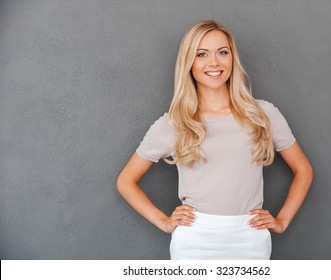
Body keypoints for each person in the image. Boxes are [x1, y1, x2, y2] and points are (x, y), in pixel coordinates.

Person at [116, 19, 313, 260]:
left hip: (250, 237)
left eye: (222, 52)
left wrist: (282, 220)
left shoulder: (263, 114)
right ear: (189, 62)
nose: (214, 62)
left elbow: (303, 169)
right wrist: (164, 222)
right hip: (194, 239)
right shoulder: (174, 123)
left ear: (232, 58)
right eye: (202, 54)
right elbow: (125, 181)